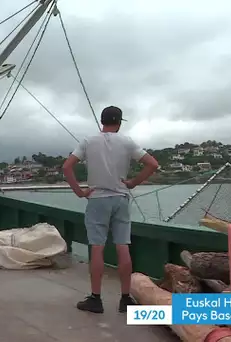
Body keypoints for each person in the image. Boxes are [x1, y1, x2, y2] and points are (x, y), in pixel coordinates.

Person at [62, 106, 159, 314]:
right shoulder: (127, 141)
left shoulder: (88, 141)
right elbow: (152, 164)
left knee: (97, 248)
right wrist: (132, 182)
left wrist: (80, 191)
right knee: (122, 246)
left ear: (101, 121)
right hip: (121, 198)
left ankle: (96, 299)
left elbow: (67, 167)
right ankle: (125, 299)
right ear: (120, 122)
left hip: (97, 199)